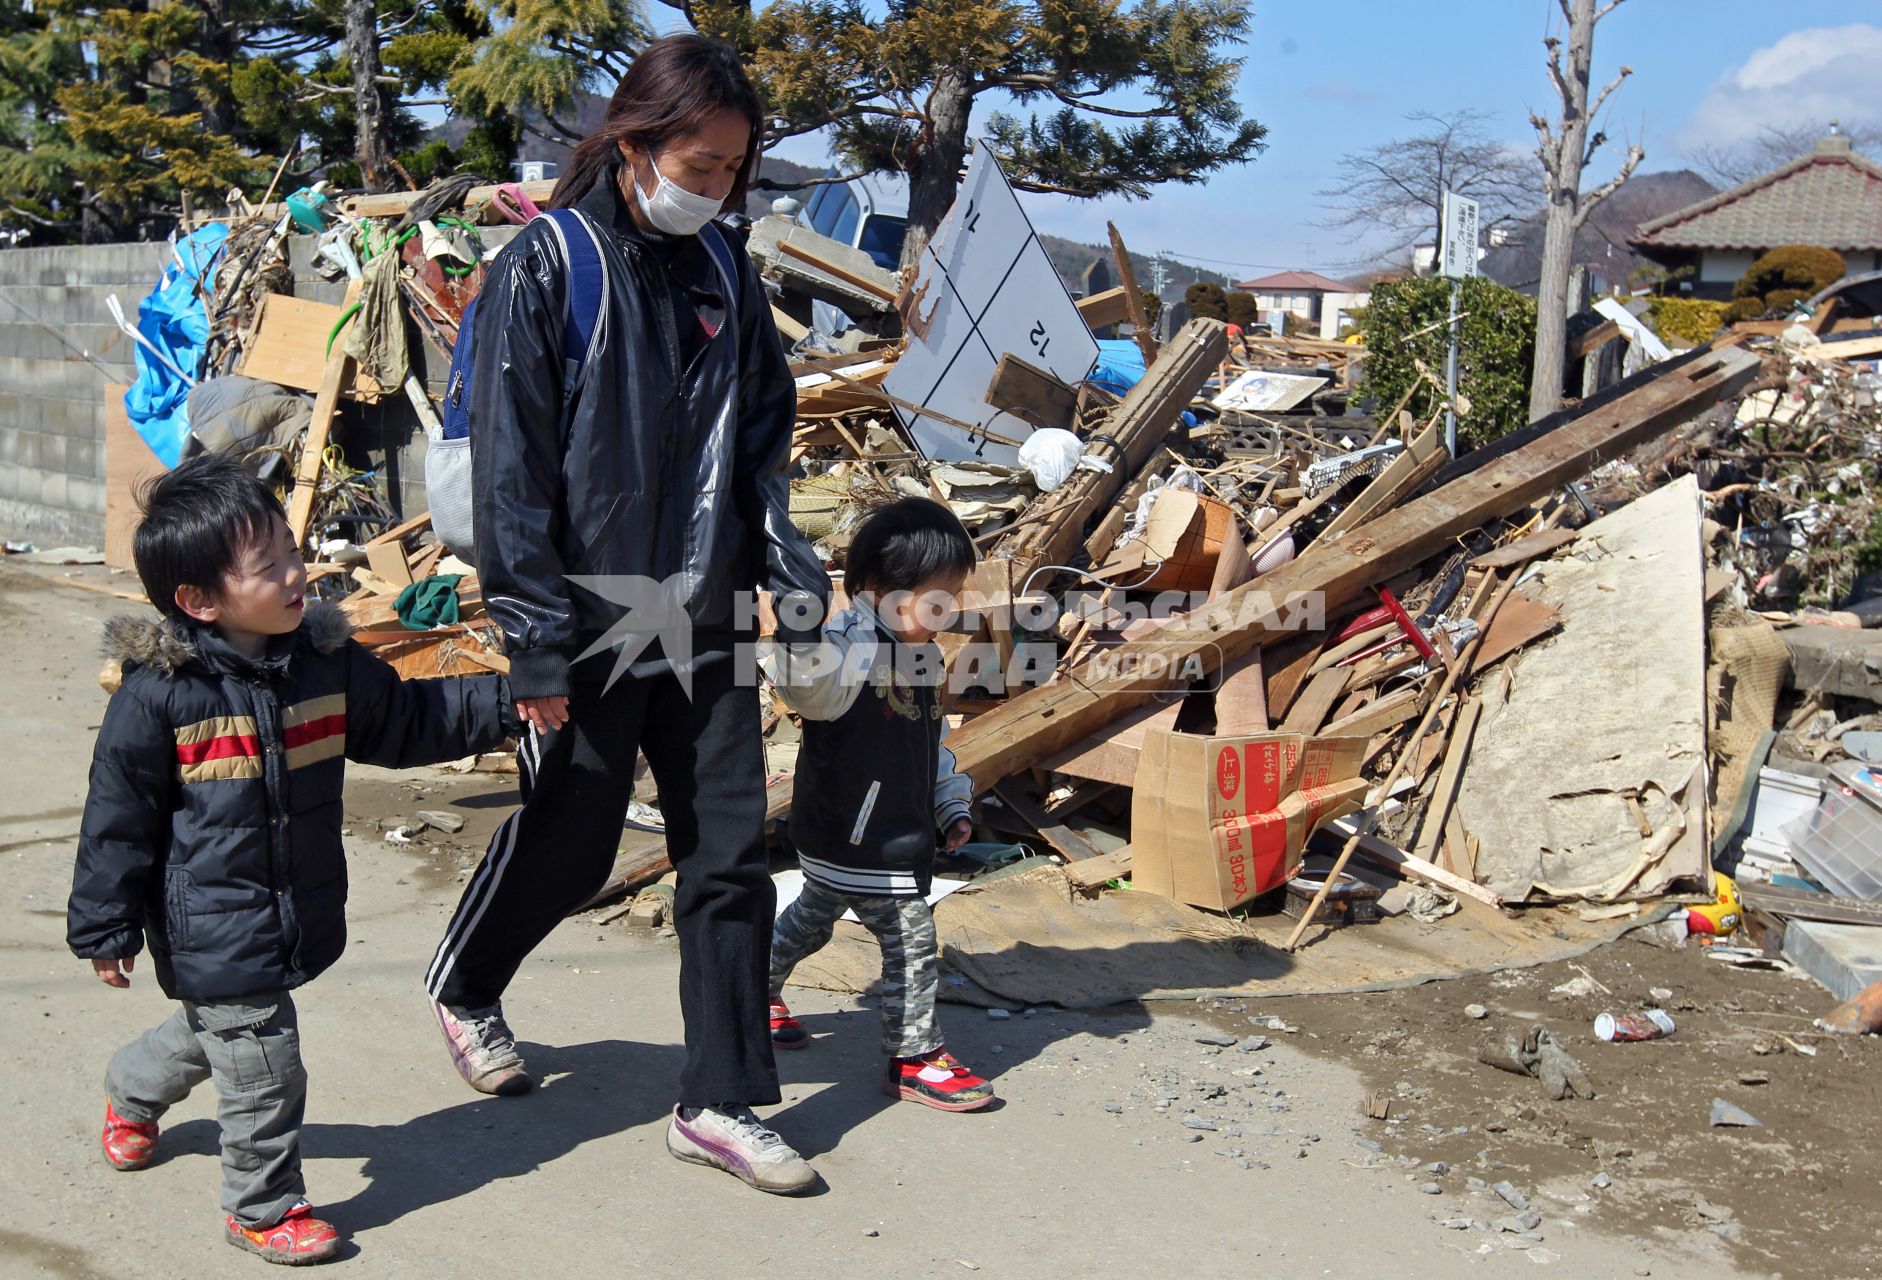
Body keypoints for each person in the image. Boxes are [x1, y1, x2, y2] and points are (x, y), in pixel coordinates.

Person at [421, 32, 830, 1195]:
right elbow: (512, 476)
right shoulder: (547, 265)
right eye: (699, 165)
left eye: (731, 172)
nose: (715, 189)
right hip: (592, 616)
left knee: (726, 852)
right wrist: (535, 642)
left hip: (701, 609)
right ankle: (467, 981)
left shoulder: (723, 273)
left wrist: (786, 566)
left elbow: (761, 437)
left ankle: (721, 1098)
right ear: (635, 140)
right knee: (575, 837)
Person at [67, 455, 514, 1264]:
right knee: (265, 1059)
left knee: (223, 1032)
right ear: (198, 601)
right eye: (266, 565)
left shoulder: (325, 663)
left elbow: (409, 720)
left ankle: (130, 1091)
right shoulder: (161, 698)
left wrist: (512, 705)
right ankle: (263, 1206)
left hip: (293, 904)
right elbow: (117, 820)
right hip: (208, 917)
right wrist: (105, 923)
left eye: (290, 549)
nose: (295, 572)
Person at [762, 499, 996, 1112]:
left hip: (885, 832)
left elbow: (929, 741)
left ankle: (751, 991)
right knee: (912, 939)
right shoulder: (845, 645)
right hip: (855, 833)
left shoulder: (919, 653)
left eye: (954, 596)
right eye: (933, 598)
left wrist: (950, 803)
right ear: (872, 590)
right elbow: (809, 689)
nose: (947, 612)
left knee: (811, 921)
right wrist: (798, 631)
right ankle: (915, 1055)